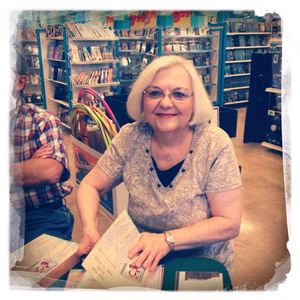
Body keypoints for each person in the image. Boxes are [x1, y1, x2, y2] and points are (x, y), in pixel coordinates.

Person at [76, 55, 242, 273]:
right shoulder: (130, 137)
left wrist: (167, 240)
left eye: (179, 94)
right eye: (154, 92)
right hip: (141, 261)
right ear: (142, 99)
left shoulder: (214, 143)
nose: (165, 102)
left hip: (200, 265)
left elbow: (229, 223)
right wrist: (90, 228)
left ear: (195, 102)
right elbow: (90, 186)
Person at [10, 73, 74, 246]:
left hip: (38, 216)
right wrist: (27, 166)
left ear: (20, 82)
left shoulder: (41, 120)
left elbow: (50, 171)